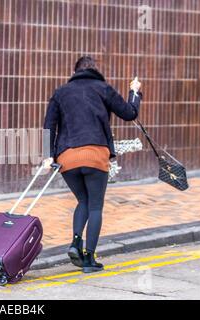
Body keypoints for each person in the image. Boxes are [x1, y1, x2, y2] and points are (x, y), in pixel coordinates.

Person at [43, 56, 142, 273]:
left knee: (83, 201)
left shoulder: (61, 92)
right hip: (95, 154)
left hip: (67, 157)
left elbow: (48, 125)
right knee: (95, 205)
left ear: (75, 71)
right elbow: (129, 113)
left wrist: (48, 155)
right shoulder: (102, 88)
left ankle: (76, 243)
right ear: (94, 70)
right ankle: (89, 259)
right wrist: (135, 91)